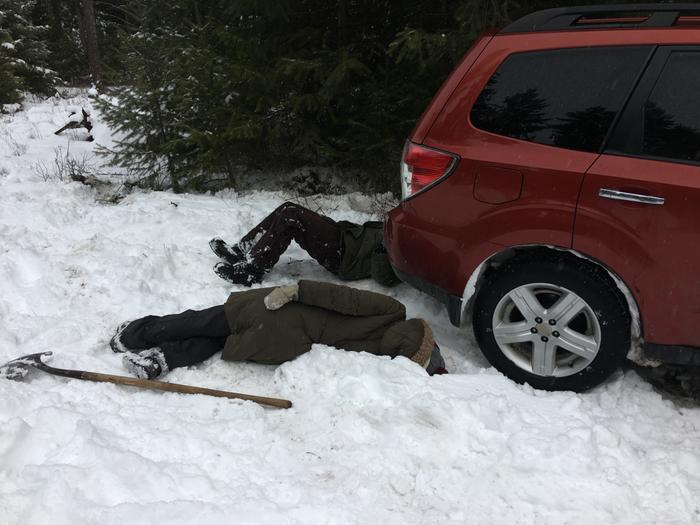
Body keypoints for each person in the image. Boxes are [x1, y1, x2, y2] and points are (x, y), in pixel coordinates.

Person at [110, 280, 447, 379]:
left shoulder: (393, 312)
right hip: (282, 345)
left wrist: (296, 291)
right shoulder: (384, 360)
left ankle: (133, 335)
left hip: (283, 310)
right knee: (218, 339)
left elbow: (340, 296)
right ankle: (160, 360)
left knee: (204, 320)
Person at [209, 201, 399, 287]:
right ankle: (242, 250)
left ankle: (253, 270)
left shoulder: (407, 251)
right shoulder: (404, 231)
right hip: (343, 235)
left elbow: (386, 277)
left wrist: (382, 251)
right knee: (287, 208)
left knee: (292, 217)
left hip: (345, 256)